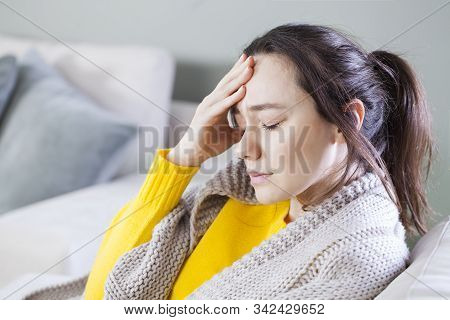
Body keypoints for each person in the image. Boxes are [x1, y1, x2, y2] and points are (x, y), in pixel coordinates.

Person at [23, 22, 435, 300]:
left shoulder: (356, 257)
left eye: (271, 123)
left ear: (347, 120)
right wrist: (185, 156)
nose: (245, 150)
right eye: (241, 124)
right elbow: (105, 295)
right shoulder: (240, 194)